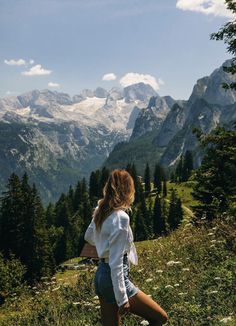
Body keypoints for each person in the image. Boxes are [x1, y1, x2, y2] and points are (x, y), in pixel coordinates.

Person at [84, 169, 168, 326]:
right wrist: (123, 299)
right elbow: (116, 263)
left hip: (101, 275)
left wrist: (103, 246)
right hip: (113, 275)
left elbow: (88, 237)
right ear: (127, 190)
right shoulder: (121, 218)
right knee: (160, 318)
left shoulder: (101, 210)